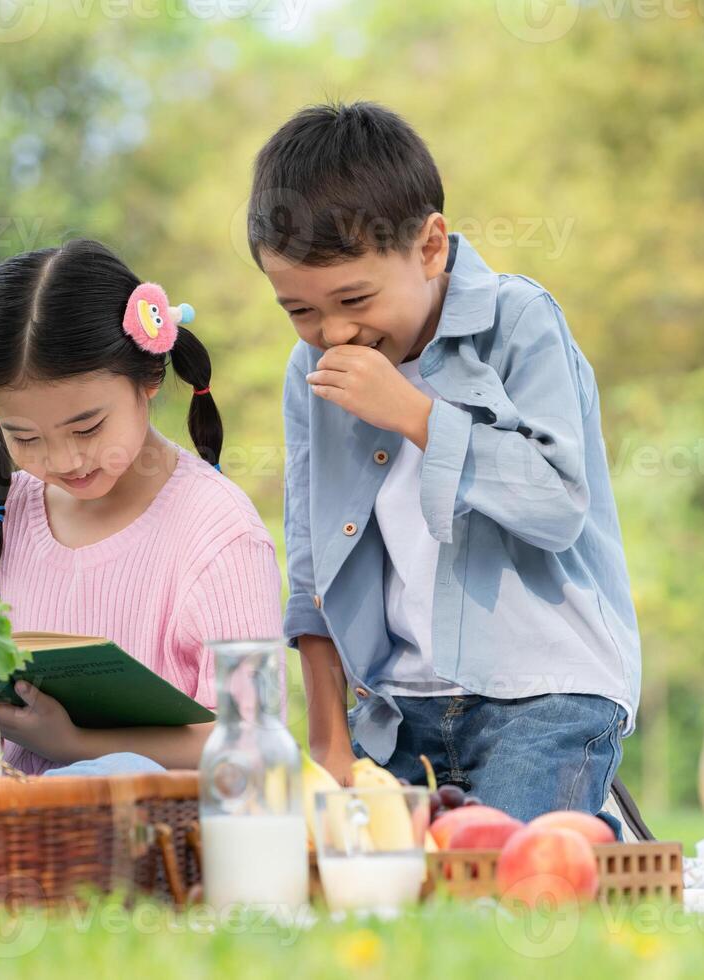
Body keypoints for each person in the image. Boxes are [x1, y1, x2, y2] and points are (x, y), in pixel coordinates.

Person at [251, 102, 640, 821]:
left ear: (430, 247)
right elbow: (311, 564)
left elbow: (556, 506)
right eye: (300, 311)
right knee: (355, 886)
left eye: (354, 297)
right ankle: (586, 829)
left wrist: (416, 415)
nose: (333, 331)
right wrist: (328, 740)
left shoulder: (518, 322)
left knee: (508, 884)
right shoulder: (311, 370)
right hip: (397, 713)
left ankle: (588, 829)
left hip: (545, 694)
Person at [0, 238, 282, 774]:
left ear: (149, 377)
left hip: (158, 843)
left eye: (88, 427)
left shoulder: (218, 533)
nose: (65, 459)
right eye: (25, 437)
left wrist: (73, 745)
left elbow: (255, 744)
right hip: (7, 840)